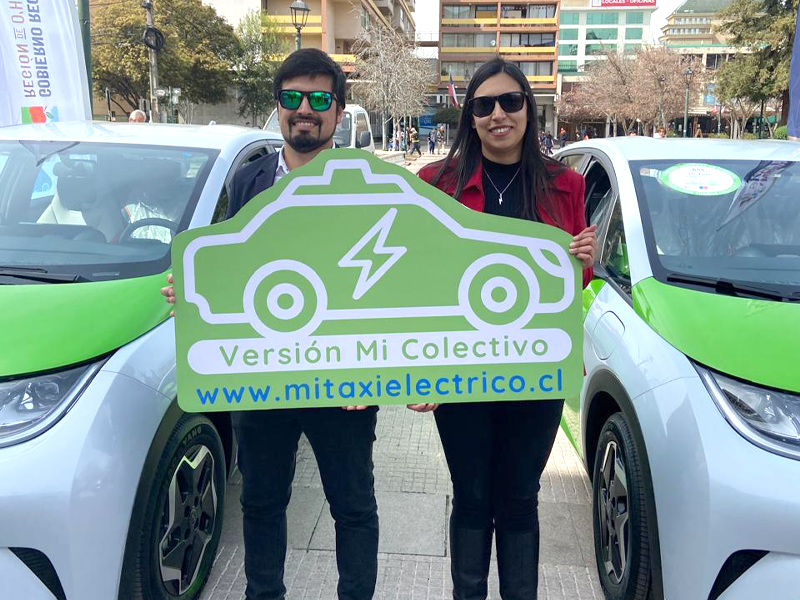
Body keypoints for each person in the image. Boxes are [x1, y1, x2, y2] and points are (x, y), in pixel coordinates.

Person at [161, 49, 379, 600]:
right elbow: (233, 261)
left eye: (320, 99)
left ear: (338, 110)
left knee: (352, 506)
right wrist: (194, 294)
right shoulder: (249, 177)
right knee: (260, 502)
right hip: (262, 378)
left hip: (342, 382)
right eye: (292, 98)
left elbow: (384, 286)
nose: (305, 109)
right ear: (278, 106)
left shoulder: (369, 183)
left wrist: (373, 371)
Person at [416, 58, 597, 600]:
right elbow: (416, 279)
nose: (498, 114)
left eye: (510, 102)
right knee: (471, 497)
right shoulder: (435, 184)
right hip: (459, 372)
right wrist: (416, 367)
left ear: (528, 110)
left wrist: (583, 259)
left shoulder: (565, 184)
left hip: (534, 371)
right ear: (469, 116)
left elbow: (569, 279)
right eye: (484, 105)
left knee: (519, 498)